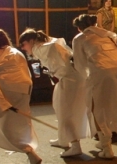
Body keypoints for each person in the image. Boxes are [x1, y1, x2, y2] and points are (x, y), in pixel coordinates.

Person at [19, 28, 88, 157]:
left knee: (65, 111)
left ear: (32, 41)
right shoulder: (44, 46)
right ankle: (64, 139)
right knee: (58, 106)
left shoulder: (42, 48)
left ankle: (75, 145)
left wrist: (54, 70)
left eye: (24, 44)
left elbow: (58, 52)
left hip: (70, 80)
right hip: (69, 78)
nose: (23, 48)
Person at [0, 29, 41, 164]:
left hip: (4, 88)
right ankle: (27, 151)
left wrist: (1, 101)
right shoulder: (16, 53)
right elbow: (25, 73)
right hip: (23, 88)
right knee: (19, 122)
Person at [72, 14, 117, 159]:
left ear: (79, 28)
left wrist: (85, 78)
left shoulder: (80, 38)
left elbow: (80, 64)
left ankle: (106, 147)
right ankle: (104, 139)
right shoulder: (106, 35)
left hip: (102, 72)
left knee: (96, 107)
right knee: (111, 104)